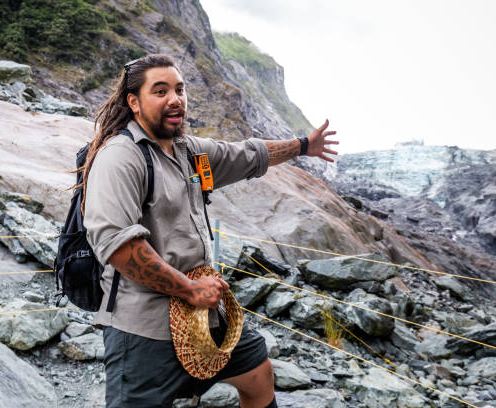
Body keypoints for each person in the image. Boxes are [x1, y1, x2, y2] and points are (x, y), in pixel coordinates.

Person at [81, 54, 338, 408]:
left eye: (180, 89)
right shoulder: (121, 157)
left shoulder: (189, 152)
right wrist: (189, 289)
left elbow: (247, 155)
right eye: (160, 91)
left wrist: (304, 146)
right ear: (134, 103)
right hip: (144, 326)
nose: (175, 99)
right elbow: (120, 248)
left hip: (205, 311)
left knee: (258, 375)